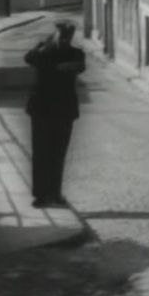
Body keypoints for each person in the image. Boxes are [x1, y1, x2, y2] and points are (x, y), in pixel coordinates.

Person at [24, 20, 85, 208]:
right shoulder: (44, 52)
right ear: (56, 35)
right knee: (42, 153)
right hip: (43, 110)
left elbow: (79, 66)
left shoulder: (74, 54)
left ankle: (54, 193)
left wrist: (47, 51)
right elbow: (29, 58)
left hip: (62, 111)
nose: (65, 39)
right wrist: (43, 45)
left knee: (57, 154)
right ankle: (42, 195)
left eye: (68, 36)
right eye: (62, 35)